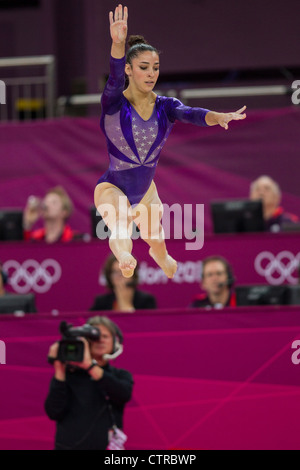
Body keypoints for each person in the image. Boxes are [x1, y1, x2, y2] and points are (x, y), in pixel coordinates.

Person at [94, 4, 247, 280]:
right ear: (129, 69)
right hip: (111, 187)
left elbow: (192, 114)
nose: (152, 74)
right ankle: (125, 257)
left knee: (157, 240)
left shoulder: (165, 106)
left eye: (156, 68)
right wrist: (117, 44)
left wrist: (218, 116)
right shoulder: (114, 103)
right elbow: (114, 77)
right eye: (144, 68)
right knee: (120, 225)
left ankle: (160, 256)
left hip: (146, 191)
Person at [44, 315, 133, 450]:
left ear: (115, 341)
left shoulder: (120, 375)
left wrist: (89, 366)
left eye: (105, 336)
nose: (100, 341)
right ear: (85, 342)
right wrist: (59, 370)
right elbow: (53, 412)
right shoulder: (69, 375)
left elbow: (123, 394)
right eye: (94, 337)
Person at [90, 253, 157, 312]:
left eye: (123, 272)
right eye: (115, 272)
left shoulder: (146, 300)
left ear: (133, 274)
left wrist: (126, 304)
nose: (119, 277)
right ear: (109, 276)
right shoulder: (101, 302)